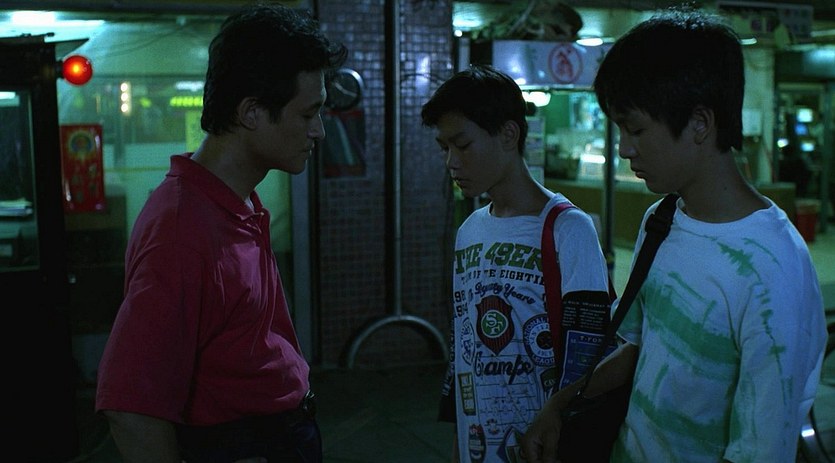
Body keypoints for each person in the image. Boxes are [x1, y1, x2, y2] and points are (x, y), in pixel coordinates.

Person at [521, 7, 827, 463]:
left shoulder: (774, 269)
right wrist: (560, 405)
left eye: (636, 129)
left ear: (700, 123)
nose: (625, 149)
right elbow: (640, 347)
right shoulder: (661, 219)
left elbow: (761, 448)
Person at [95, 4, 346, 462]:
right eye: (308, 113)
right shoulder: (183, 231)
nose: (319, 132)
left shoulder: (234, 201)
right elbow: (130, 408)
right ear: (252, 112)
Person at [421, 64, 612, 462]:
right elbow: (464, 343)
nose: (451, 162)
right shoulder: (470, 230)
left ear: (509, 135)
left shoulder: (567, 228)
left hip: (544, 444)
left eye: (463, 145)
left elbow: (590, 349)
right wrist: (460, 435)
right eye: (444, 148)